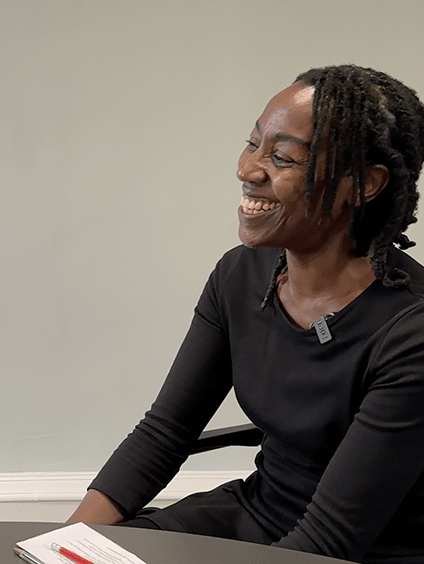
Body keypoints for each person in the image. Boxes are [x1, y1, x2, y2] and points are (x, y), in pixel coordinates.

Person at [68, 65, 424, 564]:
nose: (248, 170)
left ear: (364, 184)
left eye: (281, 157)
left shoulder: (411, 335)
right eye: (252, 144)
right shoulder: (241, 275)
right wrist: (64, 545)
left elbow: (329, 540)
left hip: (360, 550)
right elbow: (164, 432)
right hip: (258, 511)